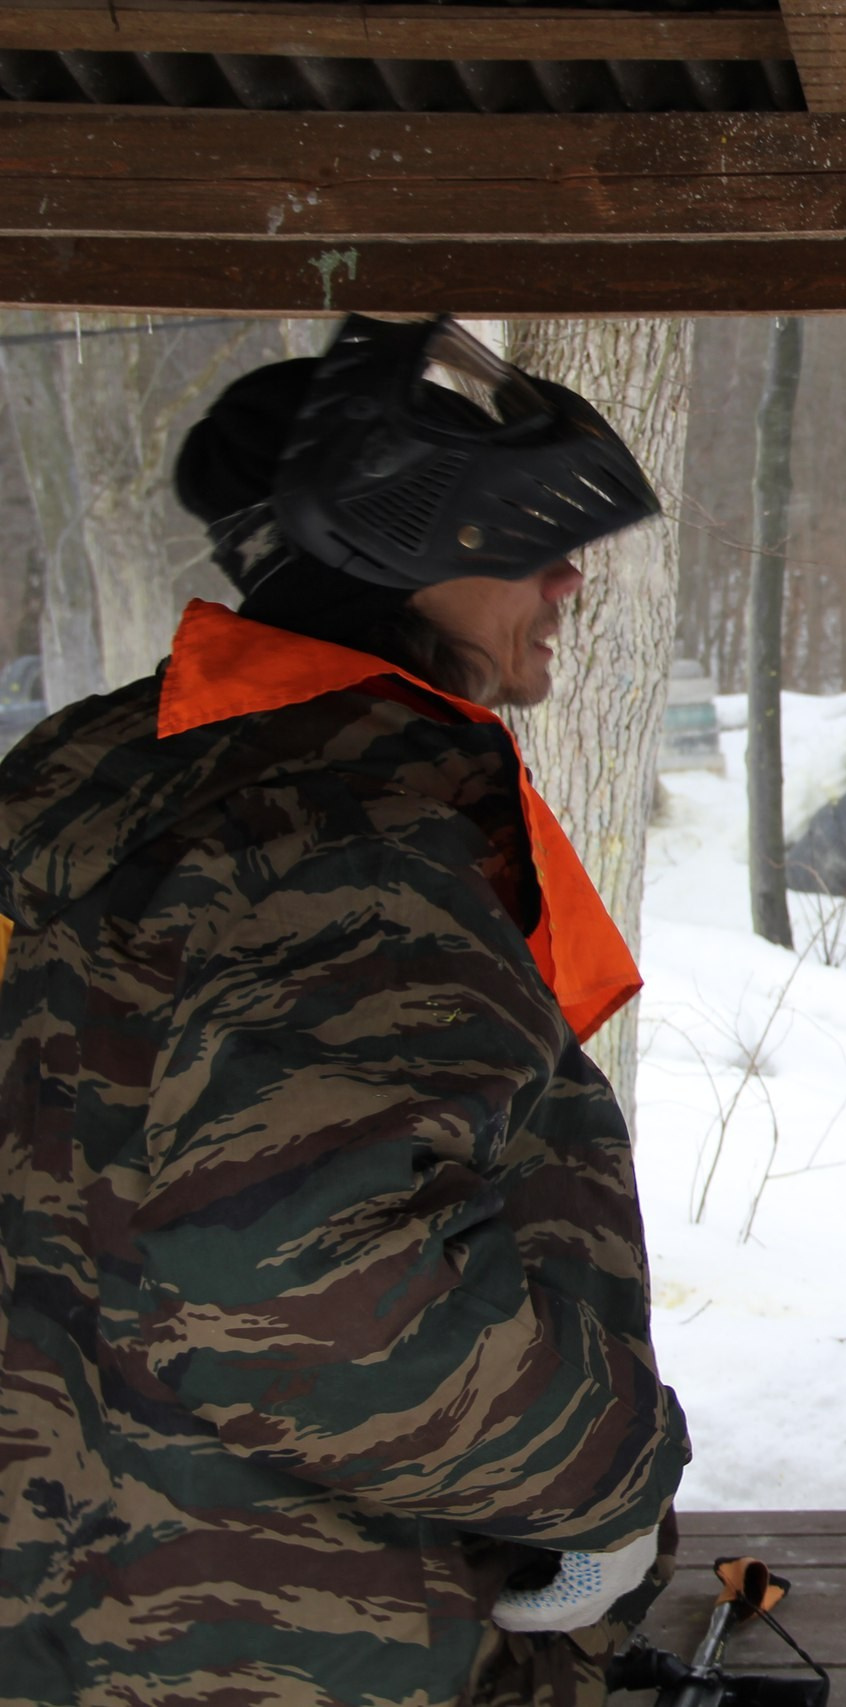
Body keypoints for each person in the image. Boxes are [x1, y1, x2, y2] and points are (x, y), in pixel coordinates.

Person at [0, 316, 688, 1707]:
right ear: (404, 562)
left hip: (63, 1583)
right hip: (286, 1626)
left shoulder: (92, 765)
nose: (568, 582)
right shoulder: (356, 835)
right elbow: (310, 1286)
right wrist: (608, 1475)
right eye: (529, 546)